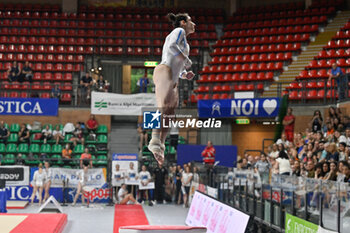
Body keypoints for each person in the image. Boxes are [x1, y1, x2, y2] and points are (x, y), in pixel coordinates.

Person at [147, 13, 195, 165]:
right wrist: (186, 60)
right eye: (191, 21)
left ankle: (160, 145)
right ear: (183, 22)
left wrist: (185, 74)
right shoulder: (178, 32)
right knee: (162, 107)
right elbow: (171, 47)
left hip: (173, 78)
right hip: (163, 70)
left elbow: (179, 66)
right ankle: (154, 139)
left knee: (169, 114)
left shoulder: (187, 45)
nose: (194, 24)